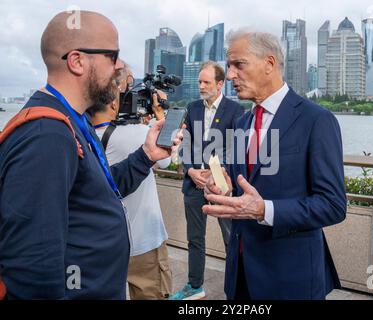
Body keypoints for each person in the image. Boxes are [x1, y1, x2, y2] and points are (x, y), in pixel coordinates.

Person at [0, 11, 182, 300]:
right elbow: (32, 268)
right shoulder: (46, 135)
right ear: (77, 61)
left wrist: (146, 155)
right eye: (113, 55)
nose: (120, 66)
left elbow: (100, 192)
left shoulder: (74, 120)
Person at [202, 29, 347, 300]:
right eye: (228, 66)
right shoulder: (242, 123)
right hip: (240, 275)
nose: (230, 75)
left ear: (269, 64)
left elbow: (333, 206)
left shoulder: (316, 120)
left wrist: (263, 210)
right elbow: (244, 187)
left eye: (238, 65)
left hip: (290, 279)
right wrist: (224, 185)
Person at [88, 65, 173, 300]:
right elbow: (167, 159)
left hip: (102, 243)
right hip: (143, 241)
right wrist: (160, 115)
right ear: (113, 103)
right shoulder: (137, 134)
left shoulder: (82, 134)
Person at [170, 61, 244, 300]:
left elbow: (238, 150)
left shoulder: (235, 110)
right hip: (194, 185)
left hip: (221, 188)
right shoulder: (191, 108)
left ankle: (237, 290)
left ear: (220, 84)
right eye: (199, 82)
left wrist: (220, 172)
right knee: (194, 239)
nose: (200, 86)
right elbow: (185, 145)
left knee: (231, 240)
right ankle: (194, 286)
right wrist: (190, 170)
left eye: (206, 82)